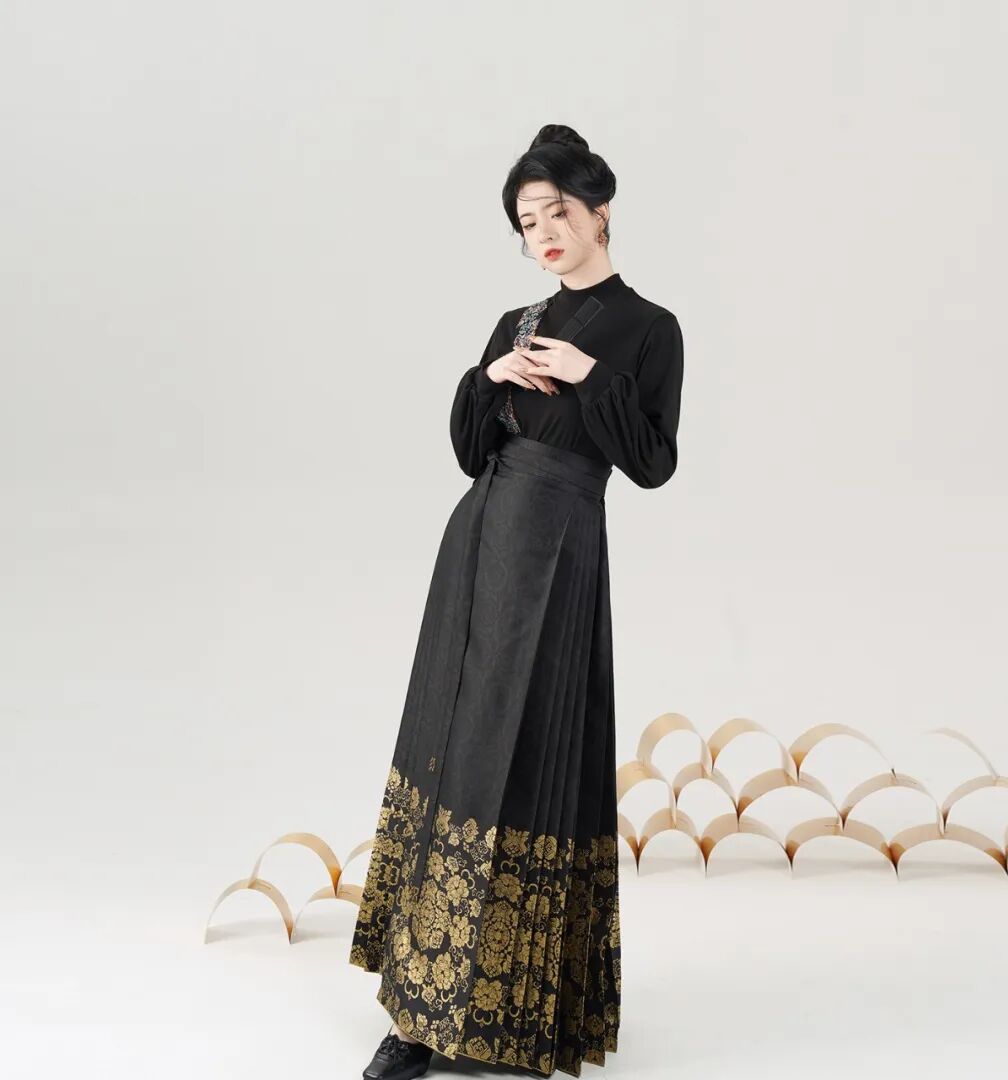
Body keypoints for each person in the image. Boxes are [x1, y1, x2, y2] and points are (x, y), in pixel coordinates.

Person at [349, 123, 684, 1080]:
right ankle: (417, 1014)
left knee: (535, 752)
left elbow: (653, 462)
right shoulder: (516, 321)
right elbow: (471, 451)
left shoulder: (649, 328)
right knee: (452, 747)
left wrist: (590, 377)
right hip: (478, 548)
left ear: (599, 212)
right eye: (527, 221)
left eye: (557, 212)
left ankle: (521, 1018)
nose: (544, 233)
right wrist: (490, 376)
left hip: (560, 550)